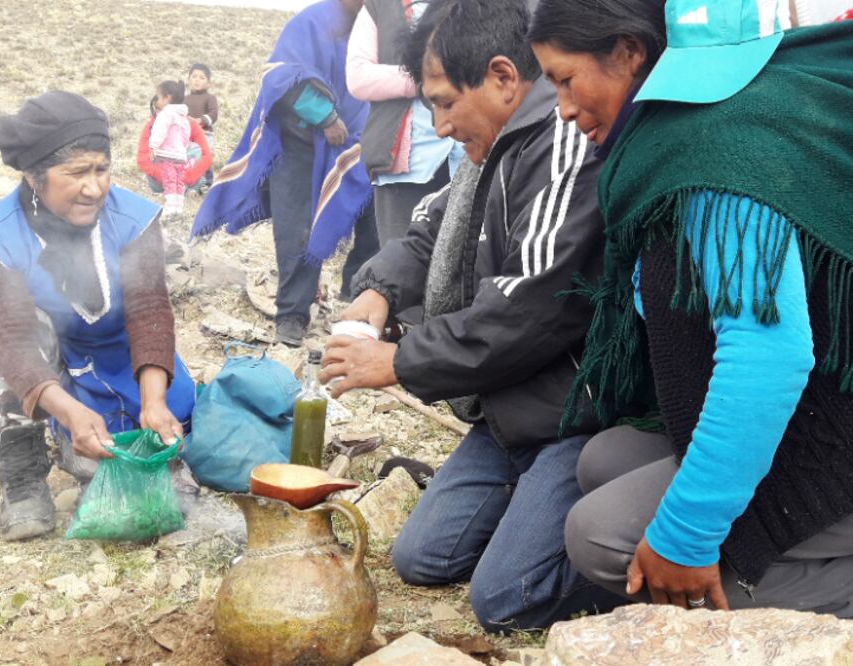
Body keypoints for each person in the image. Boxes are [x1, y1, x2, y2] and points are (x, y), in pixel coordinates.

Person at [529, 0, 853, 615]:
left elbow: (769, 354)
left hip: (832, 421)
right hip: (823, 402)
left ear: (629, 52)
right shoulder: (683, 139)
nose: (564, 109)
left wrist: (686, 535)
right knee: (604, 460)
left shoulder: (720, 149)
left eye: (566, 80)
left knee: (598, 536)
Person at [320, 0, 624, 631]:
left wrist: (400, 360)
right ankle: (529, 520)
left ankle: (635, 564)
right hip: (507, 412)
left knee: (504, 600)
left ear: (503, 77)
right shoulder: (486, 156)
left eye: (443, 102)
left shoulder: (564, 144)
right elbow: (428, 230)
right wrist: (376, 291)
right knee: (422, 558)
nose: (439, 123)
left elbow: (533, 306)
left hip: (573, 412)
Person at [0, 91, 197, 541]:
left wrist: (153, 401)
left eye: (102, 169)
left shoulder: (134, 218)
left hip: (119, 352)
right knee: (22, 334)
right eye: (76, 173)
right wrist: (69, 412)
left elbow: (150, 308)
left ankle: (129, 430)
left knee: (152, 431)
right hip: (44, 365)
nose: (95, 188)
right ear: (34, 177)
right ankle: (23, 475)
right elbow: (8, 338)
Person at [191, 0, 380, 347]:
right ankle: (292, 315)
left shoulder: (374, 25)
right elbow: (280, 73)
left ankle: (355, 302)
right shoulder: (312, 21)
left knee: (372, 219)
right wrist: (324, 115)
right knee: (296, 231)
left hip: (352, 147)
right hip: (299, 144)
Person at [346, 0, 463, 247]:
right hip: (406, 166)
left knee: (465, 263)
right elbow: (358, 76)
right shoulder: (380, 6)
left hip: (469, 156)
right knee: (401, 264)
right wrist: (425, 80)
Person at [136, 94, 212, 199]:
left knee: (195, 149)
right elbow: (142, 160)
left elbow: (206, 156)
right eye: (157, 109)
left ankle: (186, 189)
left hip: (185, 175)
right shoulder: (151, 127)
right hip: (160, 180)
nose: (162, 113)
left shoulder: (190, 124)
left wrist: (185, 177)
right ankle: (184, 191)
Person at [149, 80, 202, 219]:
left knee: (169, 182)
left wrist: (153, 146)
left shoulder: (166, 114)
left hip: (167, 155)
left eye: (159, 97)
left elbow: (159, 131)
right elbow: (186, 136)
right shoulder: (183, 117)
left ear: (168, 98)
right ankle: (178, 208)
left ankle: (169, 210)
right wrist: (183, 150)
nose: (158, 101)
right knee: (179, 182)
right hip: (180, 156)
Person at [184, 63, 219, 191]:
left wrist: (201, 120)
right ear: (188, 80)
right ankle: (188, 183)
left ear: (208, 83)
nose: (197, 80)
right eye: (194, 76)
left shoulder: (210, 98)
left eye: (202, 77)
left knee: (205, 156)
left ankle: (207, 183)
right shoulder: (183, 99)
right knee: (188, 157)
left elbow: (213, 114)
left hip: (204, 133)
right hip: (187, 134)